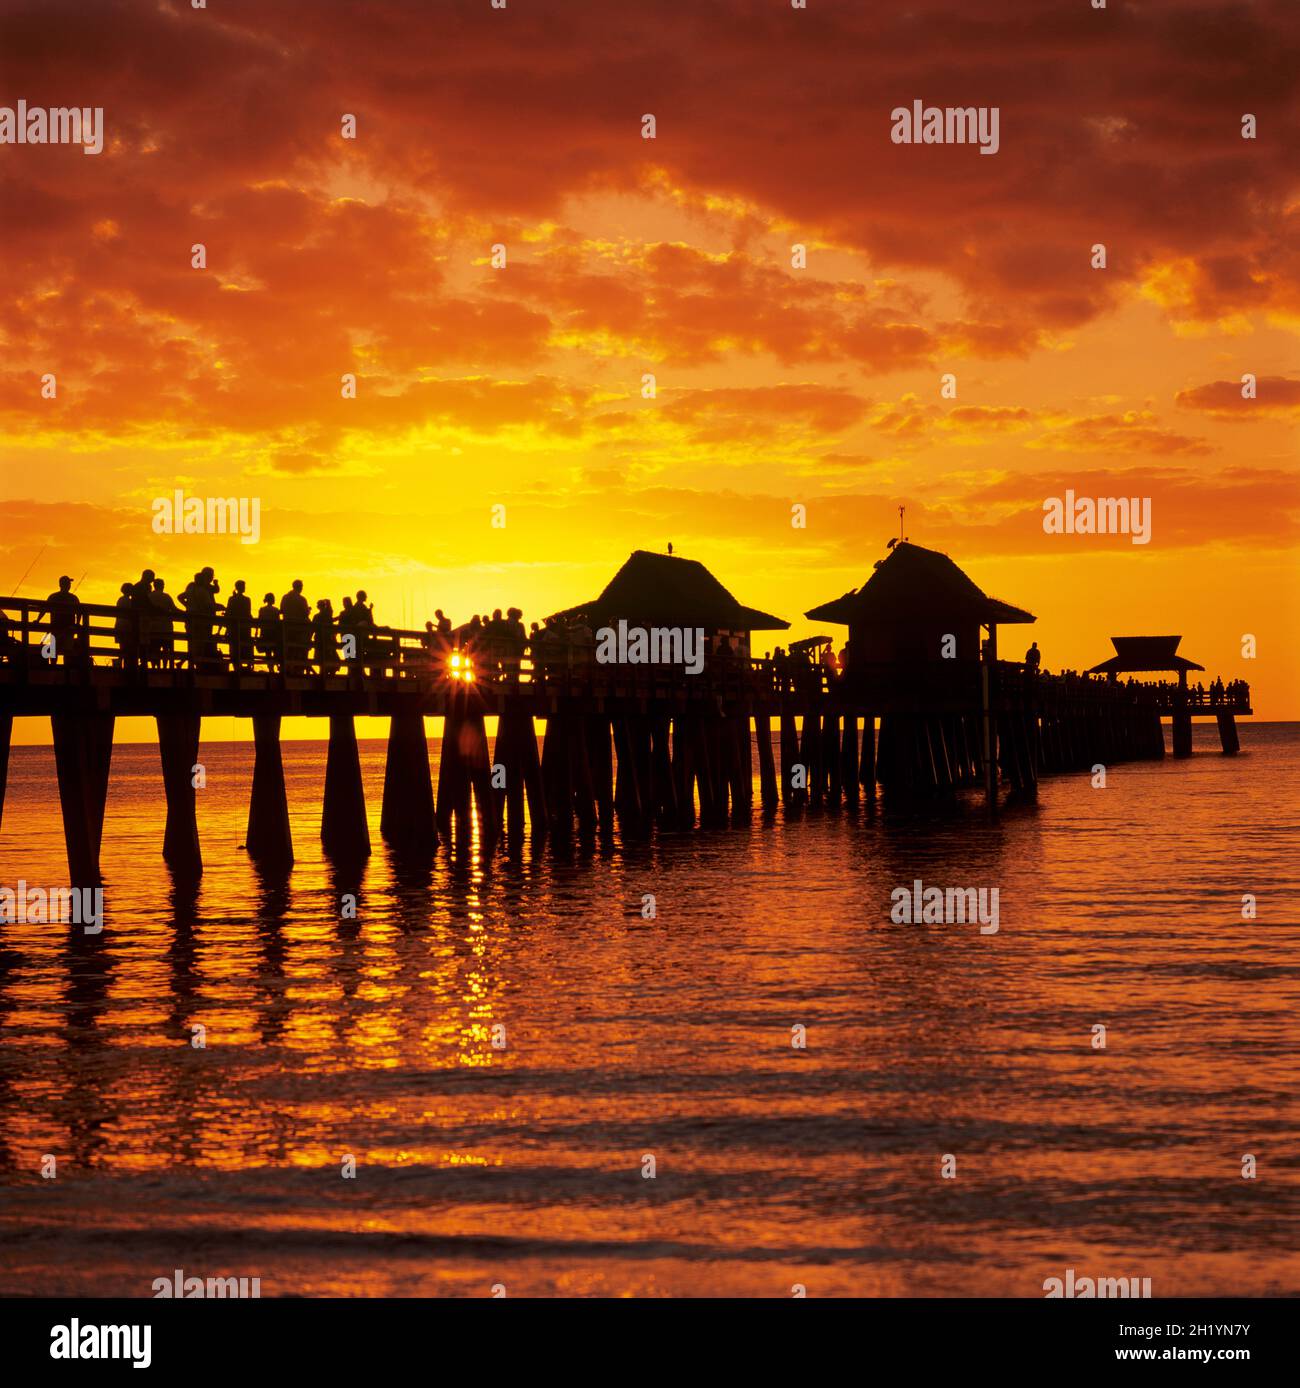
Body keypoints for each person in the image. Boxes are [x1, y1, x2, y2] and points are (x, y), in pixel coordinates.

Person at [38, 575, 79, 664]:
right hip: (68, 629)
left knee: (55, 652)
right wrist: (77, 624)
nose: (69, 585)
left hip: (56, 628)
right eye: (68, 583)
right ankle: (65, 672)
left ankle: (54, 669)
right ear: (65, 585)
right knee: (67, 652)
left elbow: (44, 609)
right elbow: (79, 612)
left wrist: (38, 620)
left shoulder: (53, 596)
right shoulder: (73, 598)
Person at [279, 579, 310, 673]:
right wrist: (308, 611)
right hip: (298, 628)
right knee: (298, 648)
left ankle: (287, 668)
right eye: (301, 586)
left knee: (288, 648)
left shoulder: (285, 597)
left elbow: (282, 610)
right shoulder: (301, 599)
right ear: (299, 587)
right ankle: (297, 668)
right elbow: (305, 613)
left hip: (286, 627)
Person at [149, 578, 180, 668]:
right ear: (162, 586)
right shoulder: (166, 596)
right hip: (166, 627)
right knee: (166, 649)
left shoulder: (149, 596)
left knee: (154, 648)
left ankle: (155, 666)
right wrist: (185, 613)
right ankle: (165, 666)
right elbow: (174, 609)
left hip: (153, 627)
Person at [225, 579, 253, 671]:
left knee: (234, 647)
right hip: (245, 627)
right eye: (243, 586)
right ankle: (248, 666)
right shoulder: (247, 600)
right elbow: (248, 614)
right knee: (246, 646)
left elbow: (229, 612)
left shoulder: (232, 599)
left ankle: (236, 667)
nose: (244, 588)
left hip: (233, 627)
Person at [113, 581, 138, 670]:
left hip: (119, 623)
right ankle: (127, 667)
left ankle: (118, 666)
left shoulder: (120, 599)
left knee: (122, 647)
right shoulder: (128, 600)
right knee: (128, 646)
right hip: (126, 624)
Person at [312, 598, 339, 673]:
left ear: (318, 607)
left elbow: (312, 629)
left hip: (319, 639)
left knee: (321, 658)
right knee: (330, 657)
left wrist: (309, 638)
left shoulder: (316, 616)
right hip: (328, 639)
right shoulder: (327, 616)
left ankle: (323, 671)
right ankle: (330, 671)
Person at [257, 593, 283, 669]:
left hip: (265, 633)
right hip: (274, 634)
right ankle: (277, 666)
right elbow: (278, 622)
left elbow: (259, 621)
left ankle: (270, 668)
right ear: (272, 600)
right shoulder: (276, 610)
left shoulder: (262, 609)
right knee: (275, 651)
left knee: (267, 652)